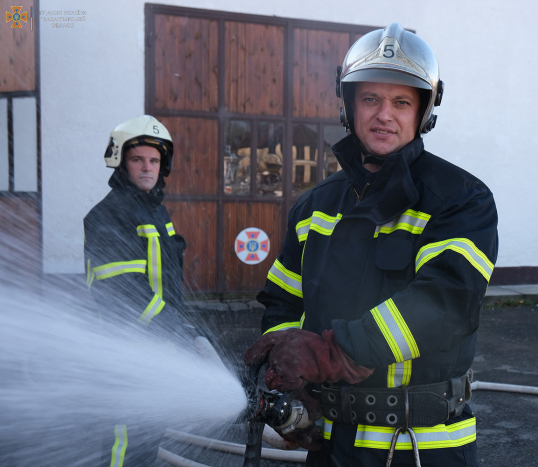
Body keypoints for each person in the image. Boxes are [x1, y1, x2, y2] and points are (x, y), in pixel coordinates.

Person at [244, 23, 498, 467]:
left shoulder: (460, 200)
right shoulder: (314, 208)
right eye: (371, 99)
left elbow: (446, 302)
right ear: (349, 106)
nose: (385, 114)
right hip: (328, 444)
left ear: (423, 112)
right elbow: (282, 304)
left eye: (401, 101)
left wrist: (334, 352)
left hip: (421, 448)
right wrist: (285, 371)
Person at [83, 115, 189, 466]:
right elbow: (123, 298)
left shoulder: (158, 215)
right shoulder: (107, 215)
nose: (147, 167)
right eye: (138, 159)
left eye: (154, 160)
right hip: (125, 356)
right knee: (123, 447)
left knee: (145, 444)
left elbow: (168, 286)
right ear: (120, 162)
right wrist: (180, 330)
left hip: (157, 353)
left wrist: (184, 330)